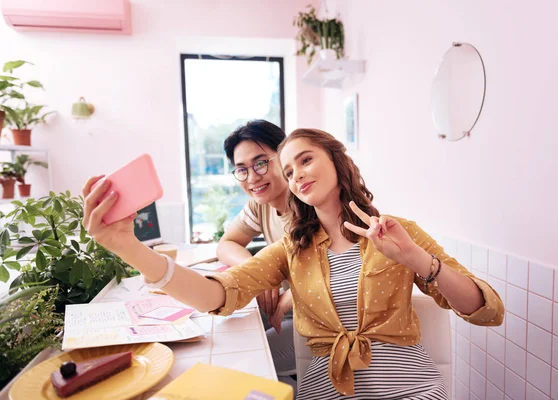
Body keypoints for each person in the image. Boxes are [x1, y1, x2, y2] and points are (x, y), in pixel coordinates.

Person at [82, 128, 504, 399]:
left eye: (306, 159)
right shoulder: (292, 249)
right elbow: (218, 296)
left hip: (411, 389)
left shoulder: (397, 231)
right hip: (328, 392)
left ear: (337, 162)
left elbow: (487, 309)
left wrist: (417, 259)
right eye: (289, 168)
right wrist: (130, 249)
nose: (297, 173)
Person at [218, 120, 296, 389]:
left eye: (261, 163)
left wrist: (283, 292)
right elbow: (226, 244)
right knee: (225, 334)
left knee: (249, 361)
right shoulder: (259, 203)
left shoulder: (309, 203)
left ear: (284, 156)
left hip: (320, 317)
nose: (252, 178)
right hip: (285, 311)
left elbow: (339, 271)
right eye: (242, 169)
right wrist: (259, 271)